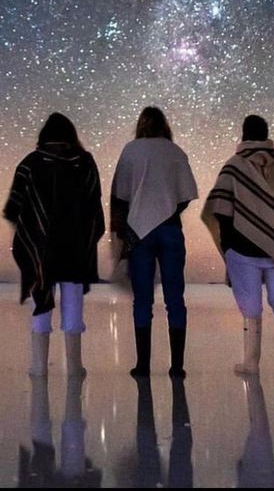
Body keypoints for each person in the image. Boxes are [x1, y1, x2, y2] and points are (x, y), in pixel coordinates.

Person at [202, 114, 274, 375]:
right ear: (266, 134)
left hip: (242, 250)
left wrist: (227, 246)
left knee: (250, 307)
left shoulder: (233, 166)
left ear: (243, 134)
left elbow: (220, 210)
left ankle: (252, 362)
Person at [3, 112, 105, 378]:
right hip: (74, 248)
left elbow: (14, 208)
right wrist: (87, 237)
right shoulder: (85, 162)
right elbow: (94, 208)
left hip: (41, 249)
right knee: (73, 305)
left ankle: (38, 367)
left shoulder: (30, 163)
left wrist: (32, 236)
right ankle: (74, 368)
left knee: (41, 301)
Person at [110, 106, 198, 379]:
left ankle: (143, 365)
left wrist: (122, 233)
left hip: (139, 231)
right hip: (170, 228)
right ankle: (177, 367)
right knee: (175, 298)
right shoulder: (176, 152)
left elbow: (120, 195)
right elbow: (185, 196)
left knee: (142, 301)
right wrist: (167, 209)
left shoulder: (131, 150)